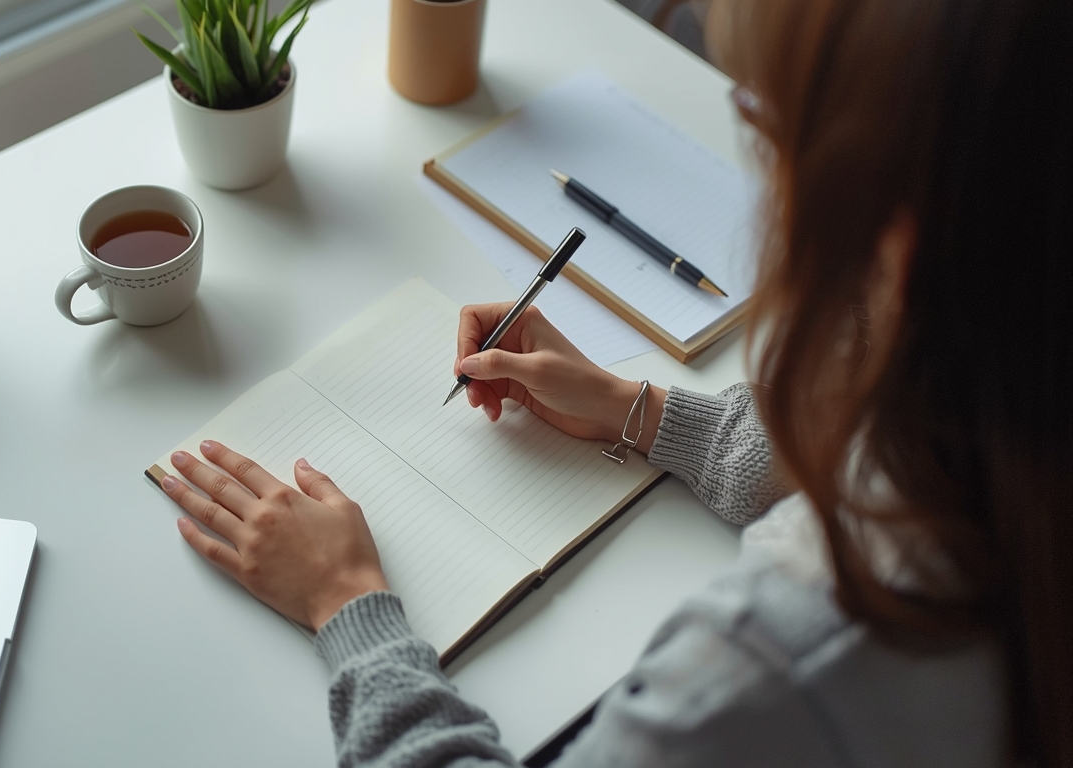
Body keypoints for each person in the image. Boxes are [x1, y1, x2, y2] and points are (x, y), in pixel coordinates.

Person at [155, 0, 1072, 764]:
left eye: (762, 120)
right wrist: (645, 413)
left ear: (896, 244)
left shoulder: (760, 669)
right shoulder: (1004, 397)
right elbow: (845, 453)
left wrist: (349, 606)